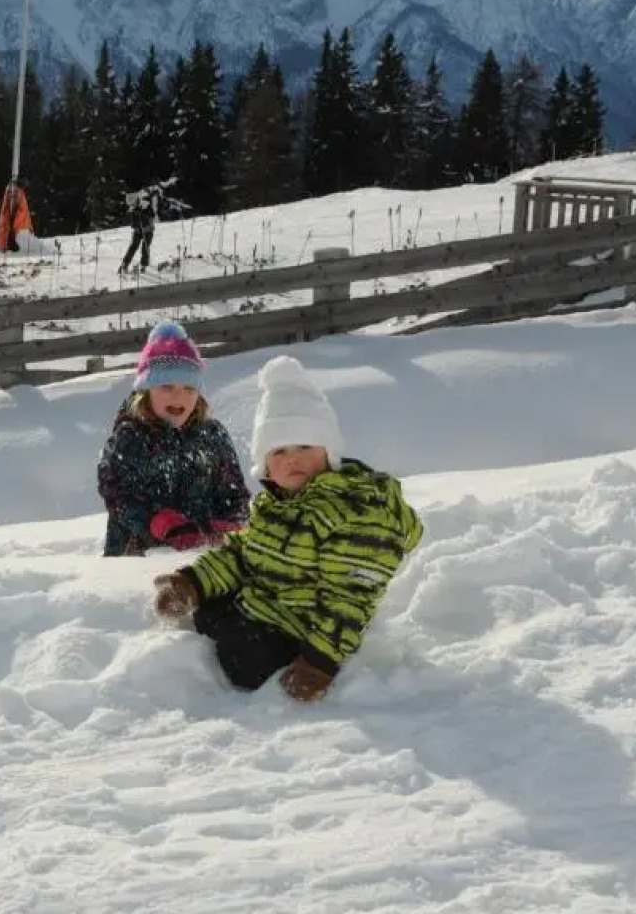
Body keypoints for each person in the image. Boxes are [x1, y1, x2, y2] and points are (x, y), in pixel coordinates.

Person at [151, 355, 424, 702]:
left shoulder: (355, 511)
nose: (293, 458)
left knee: (245, 662)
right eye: (279, 450)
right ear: (265, 466)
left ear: (330, 452)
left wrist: (319, 662)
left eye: (305, 446)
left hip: (305, 628)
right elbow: (243, 555)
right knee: (210, 609)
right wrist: (193, 583)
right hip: (270, 607)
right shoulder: (276, 505)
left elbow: (347, 601)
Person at [96, 320, 250, 557]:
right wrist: (153, 521)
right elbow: (117, 492)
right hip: (140, 556)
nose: (179, 396)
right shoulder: (131, 436)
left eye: (189, 388)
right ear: (146, 391)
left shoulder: (212, 435)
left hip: (204, 555)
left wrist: (232, 522)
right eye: (166, 386)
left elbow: (234, 492)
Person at [119, 185, 158, 275]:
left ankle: (144, 265)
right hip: (138, 230)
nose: (132, 206)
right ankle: (125, 264)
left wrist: (144, 216)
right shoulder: (132, 209)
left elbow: (152, 216)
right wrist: (135, 221)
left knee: (145, 247)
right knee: (133, 246)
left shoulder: (146, 205)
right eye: (131, 205)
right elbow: (131, 223)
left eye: (133, 204)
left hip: (148, 230)